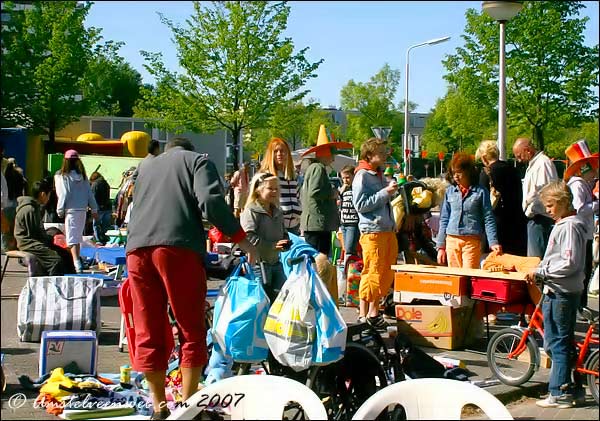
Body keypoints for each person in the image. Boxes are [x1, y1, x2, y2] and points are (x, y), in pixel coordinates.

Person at [125, 137, 255, 420]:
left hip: (136, 250)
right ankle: (188, 407)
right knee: (190, 327)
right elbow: (209, 202)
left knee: (148, 328)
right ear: (189, 149)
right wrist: (242, 240)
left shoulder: (144, 167)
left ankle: (158, 406)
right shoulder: (198, 161)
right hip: (177, 247)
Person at [525, 181, 589, 408]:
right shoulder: (566, 224)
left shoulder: (569, 227)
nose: (548, 210)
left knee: (557, 342)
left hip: (561, 291)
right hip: (558, 288)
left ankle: (558, 391)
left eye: (551, 205)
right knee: (561, 342)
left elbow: (570, 262)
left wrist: (542, 271)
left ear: (563, 203)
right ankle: (574, 388)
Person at [352, 137, 398, 330]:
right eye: (381, 152)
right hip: (372, 231)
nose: (385, 154)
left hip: (386, 229)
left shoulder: (378, 174)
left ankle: (374, 311)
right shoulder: (362, 175)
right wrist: (385, 192)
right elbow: (360, 205)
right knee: (372, 271)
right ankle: (365, 314)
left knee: (386, 272)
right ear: (370, 155)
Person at [436, 153, 501, 269]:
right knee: (455, 280)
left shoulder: (481, 192)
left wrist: (493, 242)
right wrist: (441, 246)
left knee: (468, 277)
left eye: (459, 173)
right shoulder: (450, 191)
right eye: (453, 173)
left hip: (472, 241)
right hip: (451, 240)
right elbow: (444, 218)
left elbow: (488, 218)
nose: (455, 176)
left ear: (468, 172)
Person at [300, 124, 352, 255]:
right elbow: (315, 192)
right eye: (332, 154)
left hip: (317, 225)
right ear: (325, 153)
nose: (333, 158)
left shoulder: (315, 168)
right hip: (317, 225)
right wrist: (332, 193)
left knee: (318, 258)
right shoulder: (318, 168)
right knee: (319, 259)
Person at [240, 172, 290, 301]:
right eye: (270, 188)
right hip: (259, 266)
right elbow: (249, 237)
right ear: (258, 190)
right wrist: (272, 246)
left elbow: (283, 232)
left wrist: (286, 242)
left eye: (276, 189)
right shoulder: (251, 210)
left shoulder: (278, 211)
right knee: (263, 303)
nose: (274, 191)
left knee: (281, 300)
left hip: (276, 264)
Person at [563, 139, 599, 310]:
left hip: (585, 232)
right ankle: (580, 305)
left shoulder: (583, 185)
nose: (594, 171)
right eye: (590, 167)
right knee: (582, 270)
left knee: (584, 269)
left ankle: (581, 304)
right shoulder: (577, 186)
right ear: (582, 169)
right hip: (581, 234)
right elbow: (579, 208)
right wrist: (597, 204)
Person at [476, 140, 528, 255]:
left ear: (484, 157)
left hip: (496, 223)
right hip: (517, 223)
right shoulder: (513, 170)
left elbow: (481, 201)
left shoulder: (486, 173)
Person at [14, 179, 75, 276]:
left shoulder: (35, 208)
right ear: (43, 194)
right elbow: (34, 235)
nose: (49, 198)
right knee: (55, 260)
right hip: (28, 244)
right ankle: (51, 286)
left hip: (35, 241)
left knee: (66, 255)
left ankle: (70, 283)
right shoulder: (29, 209)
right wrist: (49, 240)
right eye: (49, 195)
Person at [512, 137, 558, 258]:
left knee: (536, 259)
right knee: (534, 258)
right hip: (537, 217)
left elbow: (545, 191)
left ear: (528, 150)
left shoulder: (542, 164)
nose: (519, 159)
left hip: (540, 218)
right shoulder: (536, 164)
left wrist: (530, 209)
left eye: (519, 155)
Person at [54, 149, 98, 273]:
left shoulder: (62, 176)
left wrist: (60, 209)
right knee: (77, 237)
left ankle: (76, 263)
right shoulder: (83, 176)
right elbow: (90, 194)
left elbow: (63, 193)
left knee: (72, 238)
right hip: (82, 210)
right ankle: (77, 260)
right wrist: (94, 209)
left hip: (70, 210)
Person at [260, 137, 302, 235]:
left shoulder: (292, 176)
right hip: (276, 223)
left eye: (282, 151)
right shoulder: (267, 176)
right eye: (276, 151)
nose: (279, 154)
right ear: (271, 154)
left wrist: (298, 210)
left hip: (294, 224)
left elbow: (297, 195)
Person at [339, 165, 360, 259]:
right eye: (343, 178)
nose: (345, 180)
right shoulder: (343, 189)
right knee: (346, 248)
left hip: (353, 222)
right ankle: (350, 269)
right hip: (343, 222)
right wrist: (340, 192)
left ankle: (350, 269)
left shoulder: (357, 188)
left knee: (349, 249)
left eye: (348, 177)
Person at [89, 171, 112, 245]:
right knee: (106, 225)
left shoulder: (95, 184)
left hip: (98, 208)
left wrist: (92, 207)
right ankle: (106, 238)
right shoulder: (106, 184)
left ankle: (98, 239)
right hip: (107, 208)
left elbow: (93, 197)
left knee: (96, 225)